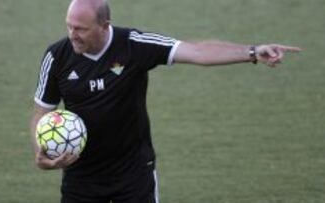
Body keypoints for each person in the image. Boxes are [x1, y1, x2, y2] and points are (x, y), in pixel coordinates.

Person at [30, 0, 301, 202]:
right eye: (69, 26)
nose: (72, 34)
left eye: (81, 29)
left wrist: (252, 52)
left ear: (104, 26)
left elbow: (196, 51)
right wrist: (40, 152)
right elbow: (41, 113)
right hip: (82, 179)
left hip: (133, 176)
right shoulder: (57, 57)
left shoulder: (134, 45)